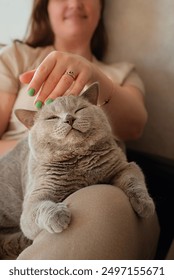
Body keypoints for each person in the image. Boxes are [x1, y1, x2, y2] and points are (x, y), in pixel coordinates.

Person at [0, 0, 159, 259]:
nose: (74, 3)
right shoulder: (16, 56)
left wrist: (95, 75)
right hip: (25, 178)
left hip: (103, 181)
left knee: (105, 207)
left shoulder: (122, 73)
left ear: (100, 8)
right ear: (45, 8)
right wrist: (45, 150)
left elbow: (134, 125)